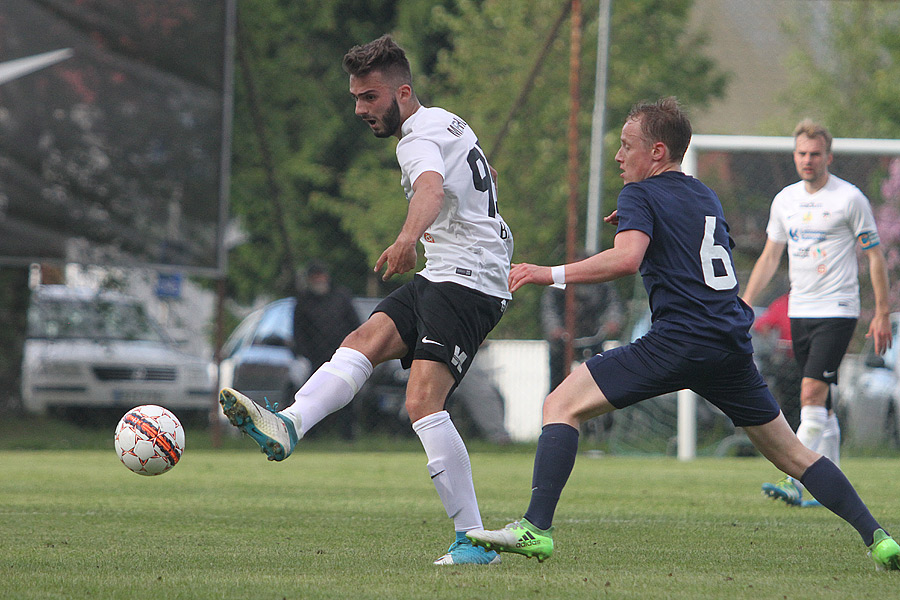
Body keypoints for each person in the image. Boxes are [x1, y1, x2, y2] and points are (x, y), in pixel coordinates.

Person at [465, 98, 900, 571]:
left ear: (656, 151)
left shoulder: (639, 196)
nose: (618, 156)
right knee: (794, 454)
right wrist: (638, 221)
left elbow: (627, 259)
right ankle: (878, 538)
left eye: (626, 146)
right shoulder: (703, 194)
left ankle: (535, 528)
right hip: (729, 344)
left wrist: (547, 272)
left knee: (559, 405)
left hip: (679, 341)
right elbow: (690, 245)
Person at [219, 34, 513, 566]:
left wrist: (406, 238)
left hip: (467, 282)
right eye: (356, 98)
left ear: (402, 91)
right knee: (363, 340)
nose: (361, 109)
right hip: (448, 272)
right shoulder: (447, 120)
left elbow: (429, 189)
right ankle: (290, 423)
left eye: (371, 98)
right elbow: (468, 179)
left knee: (422, 403)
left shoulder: (415, 141)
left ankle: (473, 540)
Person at [742, 120, 893, 507]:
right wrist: (746, 300)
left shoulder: (849, 198)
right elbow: (771, 256)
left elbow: (875, 257)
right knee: (821, 402)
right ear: (795, 156)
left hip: (838, 309)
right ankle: (829, 488)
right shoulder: (785, 201)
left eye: (815, 154)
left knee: (811, 392)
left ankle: (793, 478)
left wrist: (880, 312)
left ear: (828, 156)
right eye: (802, 154)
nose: (808, 160)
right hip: (801, 309)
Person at [292, 260, 361, 439]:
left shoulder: (341, 297)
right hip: (315, 356)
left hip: (342, 353)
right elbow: (298, 330)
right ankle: (312, 434)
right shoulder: (304, 301)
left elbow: (355, 324)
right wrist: (302, 353)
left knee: (345, 391)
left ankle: (347, 434)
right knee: (314, 393)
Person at [540, 262, 623, 392]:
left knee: (602, 380)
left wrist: (612, 322)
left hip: (593, 337)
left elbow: (612, 303)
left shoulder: (600, 281)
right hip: (563, 341)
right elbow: (549, 309)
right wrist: (555, 329)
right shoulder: (559, 283)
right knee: (557, 384)